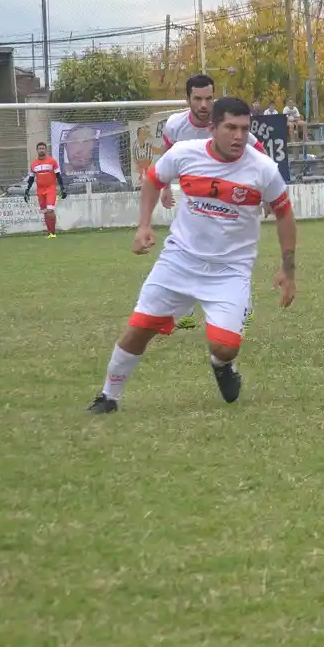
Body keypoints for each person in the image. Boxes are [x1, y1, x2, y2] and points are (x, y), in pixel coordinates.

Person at [86, 97, 297, 414]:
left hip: (230, 271)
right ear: (212, 128)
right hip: (179, 262)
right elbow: (153, 180)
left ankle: (222, 365)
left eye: (244, 128)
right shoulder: (185, 154)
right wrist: (143, 225)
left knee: (225, 346)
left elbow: (284, 213)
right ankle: (108, 396)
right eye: (230, 128)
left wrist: (288, 269)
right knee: (139, 328)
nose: (238, 136)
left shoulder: (262, 168)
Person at [160, 73, 268, 329]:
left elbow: (259, 152)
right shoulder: (174, 126)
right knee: (187, 250)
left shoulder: (226, 122)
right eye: (197, 99)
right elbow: (168, 155)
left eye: (208, 98)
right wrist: (165, 186)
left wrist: (265, 193)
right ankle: (185, 311)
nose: (204, 105)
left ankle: (242, 305)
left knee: (223, 254)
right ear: (187, 99)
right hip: (193, 199)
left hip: (228, 200)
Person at [23, 141, 66, 237]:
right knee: (45, 211)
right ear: (37, 150)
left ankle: (53, 232)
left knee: (50, 210)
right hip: (40, 190)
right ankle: (50, 232)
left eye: (43, 148)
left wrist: (63, 188)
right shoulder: (34, 164)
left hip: (50, 188)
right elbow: (31, 178)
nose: (41, 150)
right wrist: (27, 190)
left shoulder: (52, 162)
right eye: (39, 149)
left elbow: (58, 175)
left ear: (46, 150)